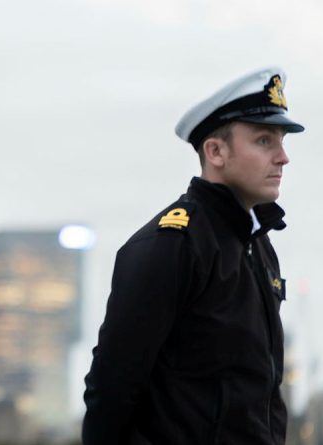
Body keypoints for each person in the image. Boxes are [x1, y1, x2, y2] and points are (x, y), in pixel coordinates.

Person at [82, 67, 304, 445]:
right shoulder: (172, 244)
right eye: (265, 141)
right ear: (215, 151)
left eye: (281, 142)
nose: (283, 157)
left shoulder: (257, 244)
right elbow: (112, 386)